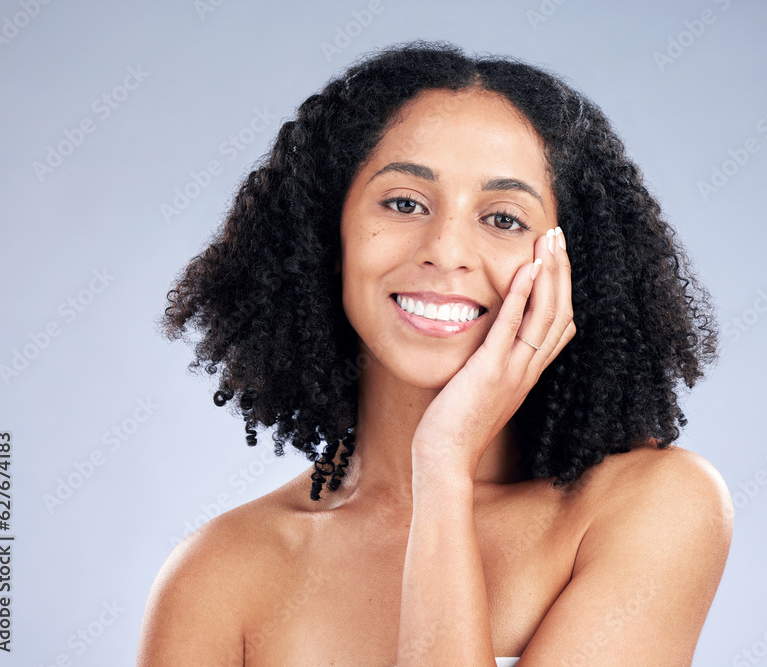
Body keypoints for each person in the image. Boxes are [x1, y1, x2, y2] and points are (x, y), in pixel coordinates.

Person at [137, 40, 733, 666]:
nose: (445, 250)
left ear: (571, 264)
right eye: (404, 203)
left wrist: (443, 464)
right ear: (326, 235)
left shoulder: (653, 508)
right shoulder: (216, 577)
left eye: (504, 219)